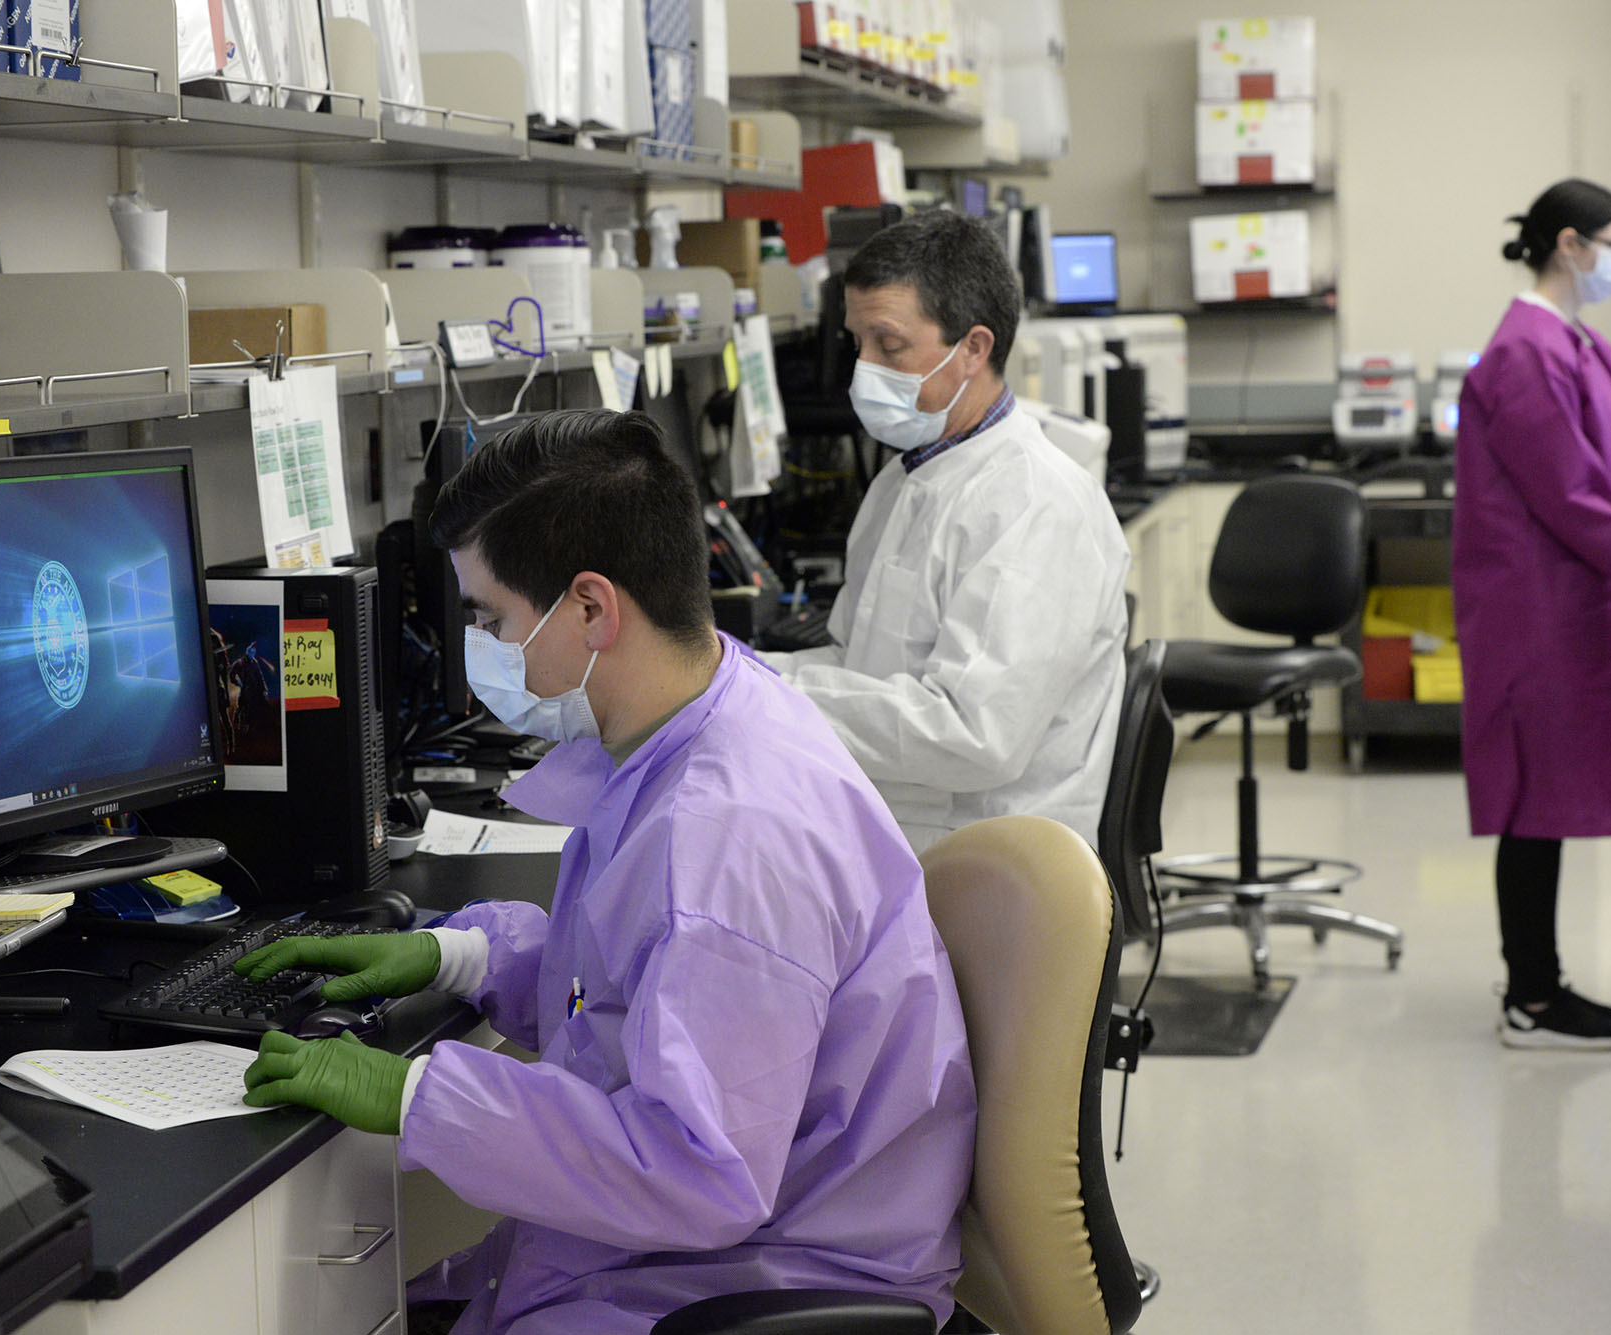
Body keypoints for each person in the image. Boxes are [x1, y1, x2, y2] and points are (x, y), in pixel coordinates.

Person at [233, 410, 976, 1334]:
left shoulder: (730, 838)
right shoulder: (703, 710)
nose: (480, 648)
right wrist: (460, 960)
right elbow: (645, 995)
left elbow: (699, 1172)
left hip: (754, 1281)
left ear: (591, 607)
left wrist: (418, 1094)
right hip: (687, 1250)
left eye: (489, 617)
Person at [762, 209, 1131, 855]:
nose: (862, 368)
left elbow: (974, 735)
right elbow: (856, 663)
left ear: (974, 348)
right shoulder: (906, 480)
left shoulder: (1036, 505)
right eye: (857, 343)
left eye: (889, 344)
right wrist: (736, 675)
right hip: (899, 833)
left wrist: (770, 696)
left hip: (992, 873)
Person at [1453, 179, 1611, 1051]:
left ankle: (1542, 981)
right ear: (1571, 244)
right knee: (1533, 797)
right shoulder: (1525, 351)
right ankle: (1531, 994)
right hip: (1535, 611)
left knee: (1552, 795)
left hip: (1577, 602)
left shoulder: (1576, 343)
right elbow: (1569, 491)